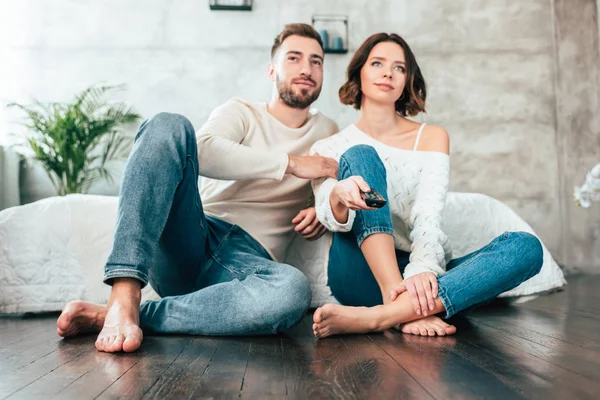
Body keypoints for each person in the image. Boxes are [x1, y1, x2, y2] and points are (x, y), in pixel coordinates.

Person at [56, 23, 339, 353]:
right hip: (195, 235)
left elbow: (330, 183)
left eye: (316, 61)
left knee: (292, 291)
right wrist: (291, 163)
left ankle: (131, 315)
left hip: (249, 263)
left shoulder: (327, 129)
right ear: (272, 68)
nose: (306, 69)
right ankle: (124, 291)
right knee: (168, 124)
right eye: (294, 58)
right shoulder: (242, 112)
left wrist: (322, 209)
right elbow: (202, 151)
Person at [310, 32, 543, 338]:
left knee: (526, 248)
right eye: (377, 63)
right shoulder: (328, 146)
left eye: (399, 68)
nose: (387, 73)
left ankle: (382, 316)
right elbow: (328, 212)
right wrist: (339, 195)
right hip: (357, 271)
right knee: (361, 155)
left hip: (417, 275)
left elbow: (428, 214)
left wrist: (422, 271)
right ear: (359, 73)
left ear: (407, 80)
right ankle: (398, 299)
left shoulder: (432, 137)